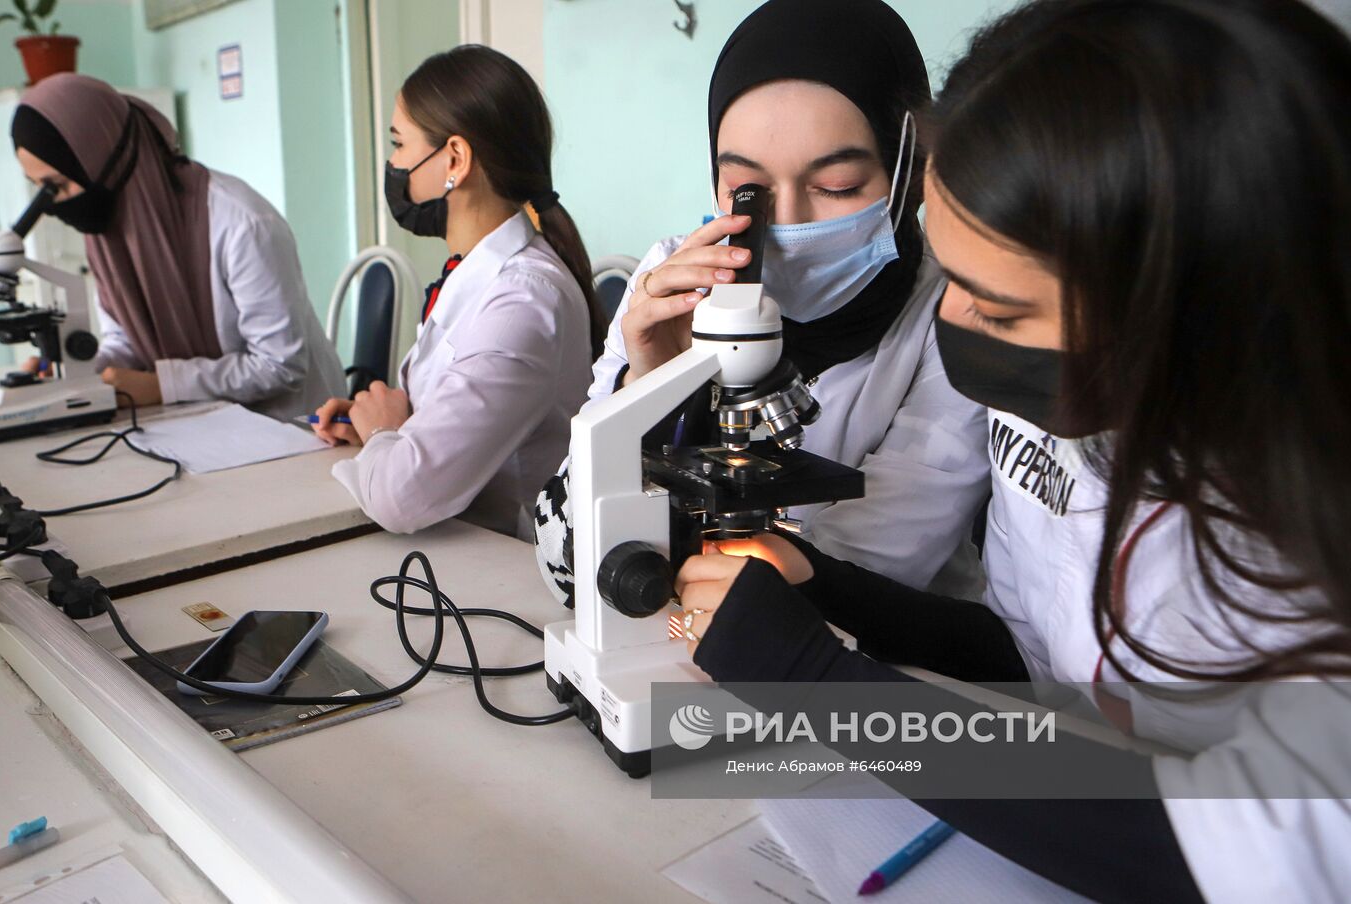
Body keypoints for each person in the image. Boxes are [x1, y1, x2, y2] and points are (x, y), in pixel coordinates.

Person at [675, 1, 1351, 901]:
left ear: (1189, 305)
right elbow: (1034, 654)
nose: (952, 322)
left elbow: (1261, 849)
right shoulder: (1055, 409)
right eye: (950, 277)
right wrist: (824, 587)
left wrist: (819, 685)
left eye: (996, 308)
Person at [533, 0, 992, 607]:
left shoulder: (954, 312)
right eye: (747, 191)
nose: (787, 223)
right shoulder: (668, 281)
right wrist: (644, 389)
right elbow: (563, 551)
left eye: (837, 187)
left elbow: (874, 561)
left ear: (907, 171)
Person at [313, 46, 602, 540]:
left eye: (399, 143)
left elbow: (401, 497)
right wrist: (380, 423)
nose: (392, 162)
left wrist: (385, 435)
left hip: (501, 574)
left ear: (455, 159)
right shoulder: (476, 271)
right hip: (457, 550)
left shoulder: (524, 303)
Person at [11, 74, 344, 420]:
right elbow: (126, 341)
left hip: (293, 425)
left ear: (101, 160)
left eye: (59, 186)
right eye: (39, 189)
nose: (52, 206)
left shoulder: (244, 224)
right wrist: (79, 372)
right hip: (199, 422)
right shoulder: (109, 235)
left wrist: (162, 385)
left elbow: (280, 366)